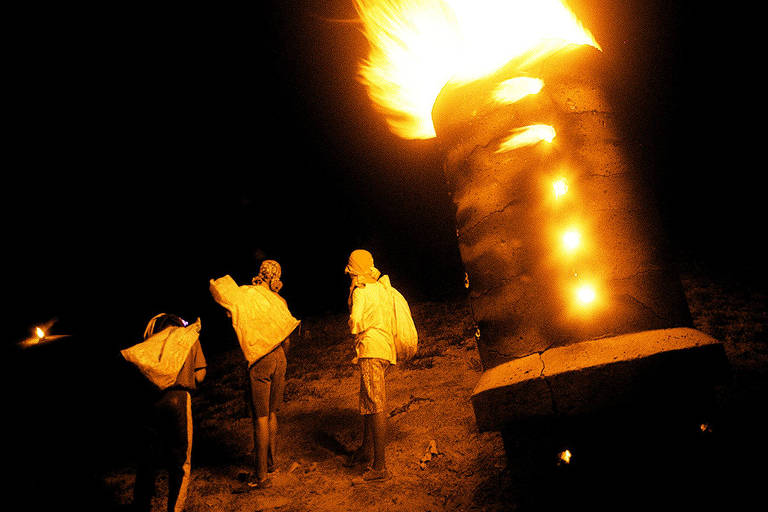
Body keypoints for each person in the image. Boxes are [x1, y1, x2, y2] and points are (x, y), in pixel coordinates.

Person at [209, 260, 299, 490]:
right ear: (277, 277)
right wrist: (281, 358)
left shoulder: (247, 295)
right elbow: (287, 338)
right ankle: (271, 464)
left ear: (260, 274)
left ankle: (260, 477)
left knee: (259, 417)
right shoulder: (280, 301)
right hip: (280, 356)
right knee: (271, 413)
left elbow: (229, 308)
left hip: (261, 360)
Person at [129, 313, 207, 512]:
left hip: (152, 401)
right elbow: (200, 376)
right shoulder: (188, 337)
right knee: (180, 462)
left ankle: (141, 506)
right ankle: (175, 508)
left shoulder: (151, 343)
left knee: (147, 461)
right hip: (180, 400)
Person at [344, 249, 397, 483]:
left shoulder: (360, 291)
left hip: (370, 349)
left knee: (375, 404)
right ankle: (366, 449)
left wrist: (351, 309)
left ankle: (380, 466)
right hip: (384, 349)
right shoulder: (381, 288)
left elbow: (356, 321)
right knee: (368, 397)